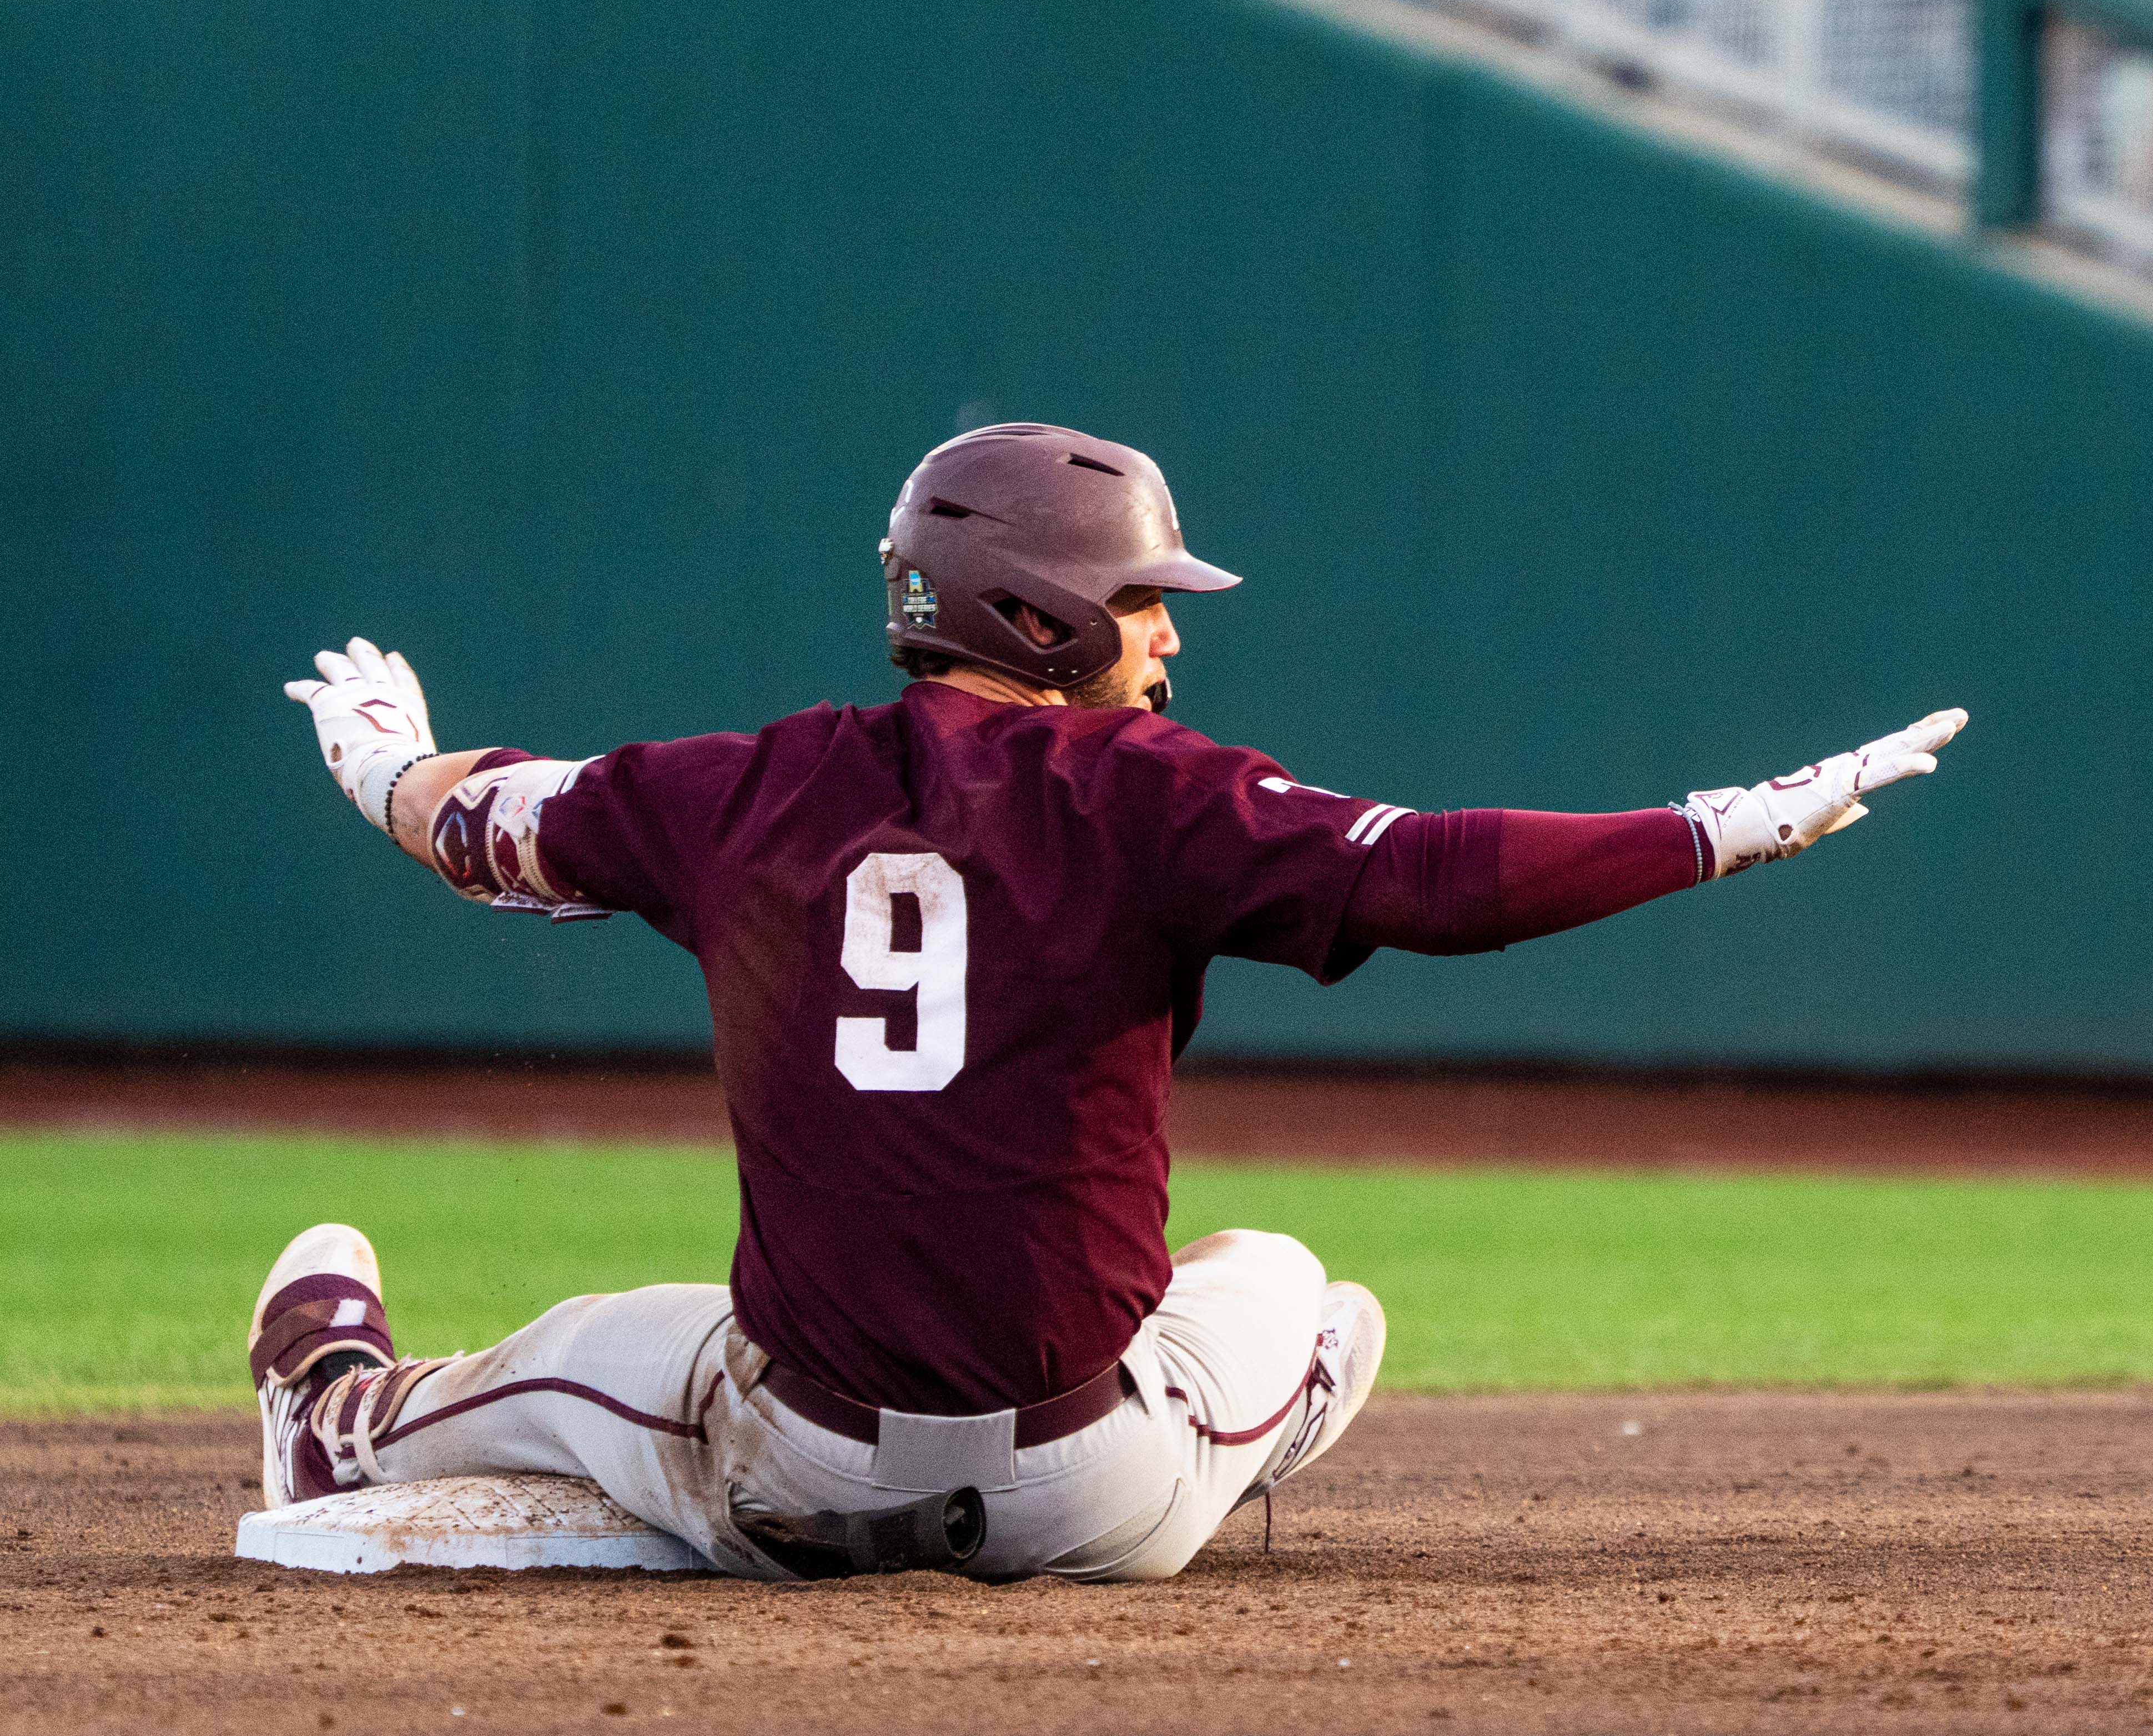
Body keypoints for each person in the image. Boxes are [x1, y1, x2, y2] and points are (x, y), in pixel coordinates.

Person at [259, 424, 1965, 1582]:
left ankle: (337, 1419)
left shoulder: (742, 789)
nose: (1164, 633)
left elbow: (482, 822)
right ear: (1042, 607)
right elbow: (1435, 877)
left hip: (792, 1462)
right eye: (1142, 596)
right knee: (1299, 1291)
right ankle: (1248, 1423)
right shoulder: (1153, 794)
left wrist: (384, 763)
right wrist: (1708, 830)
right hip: (1097, 1493)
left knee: (581, 1349)